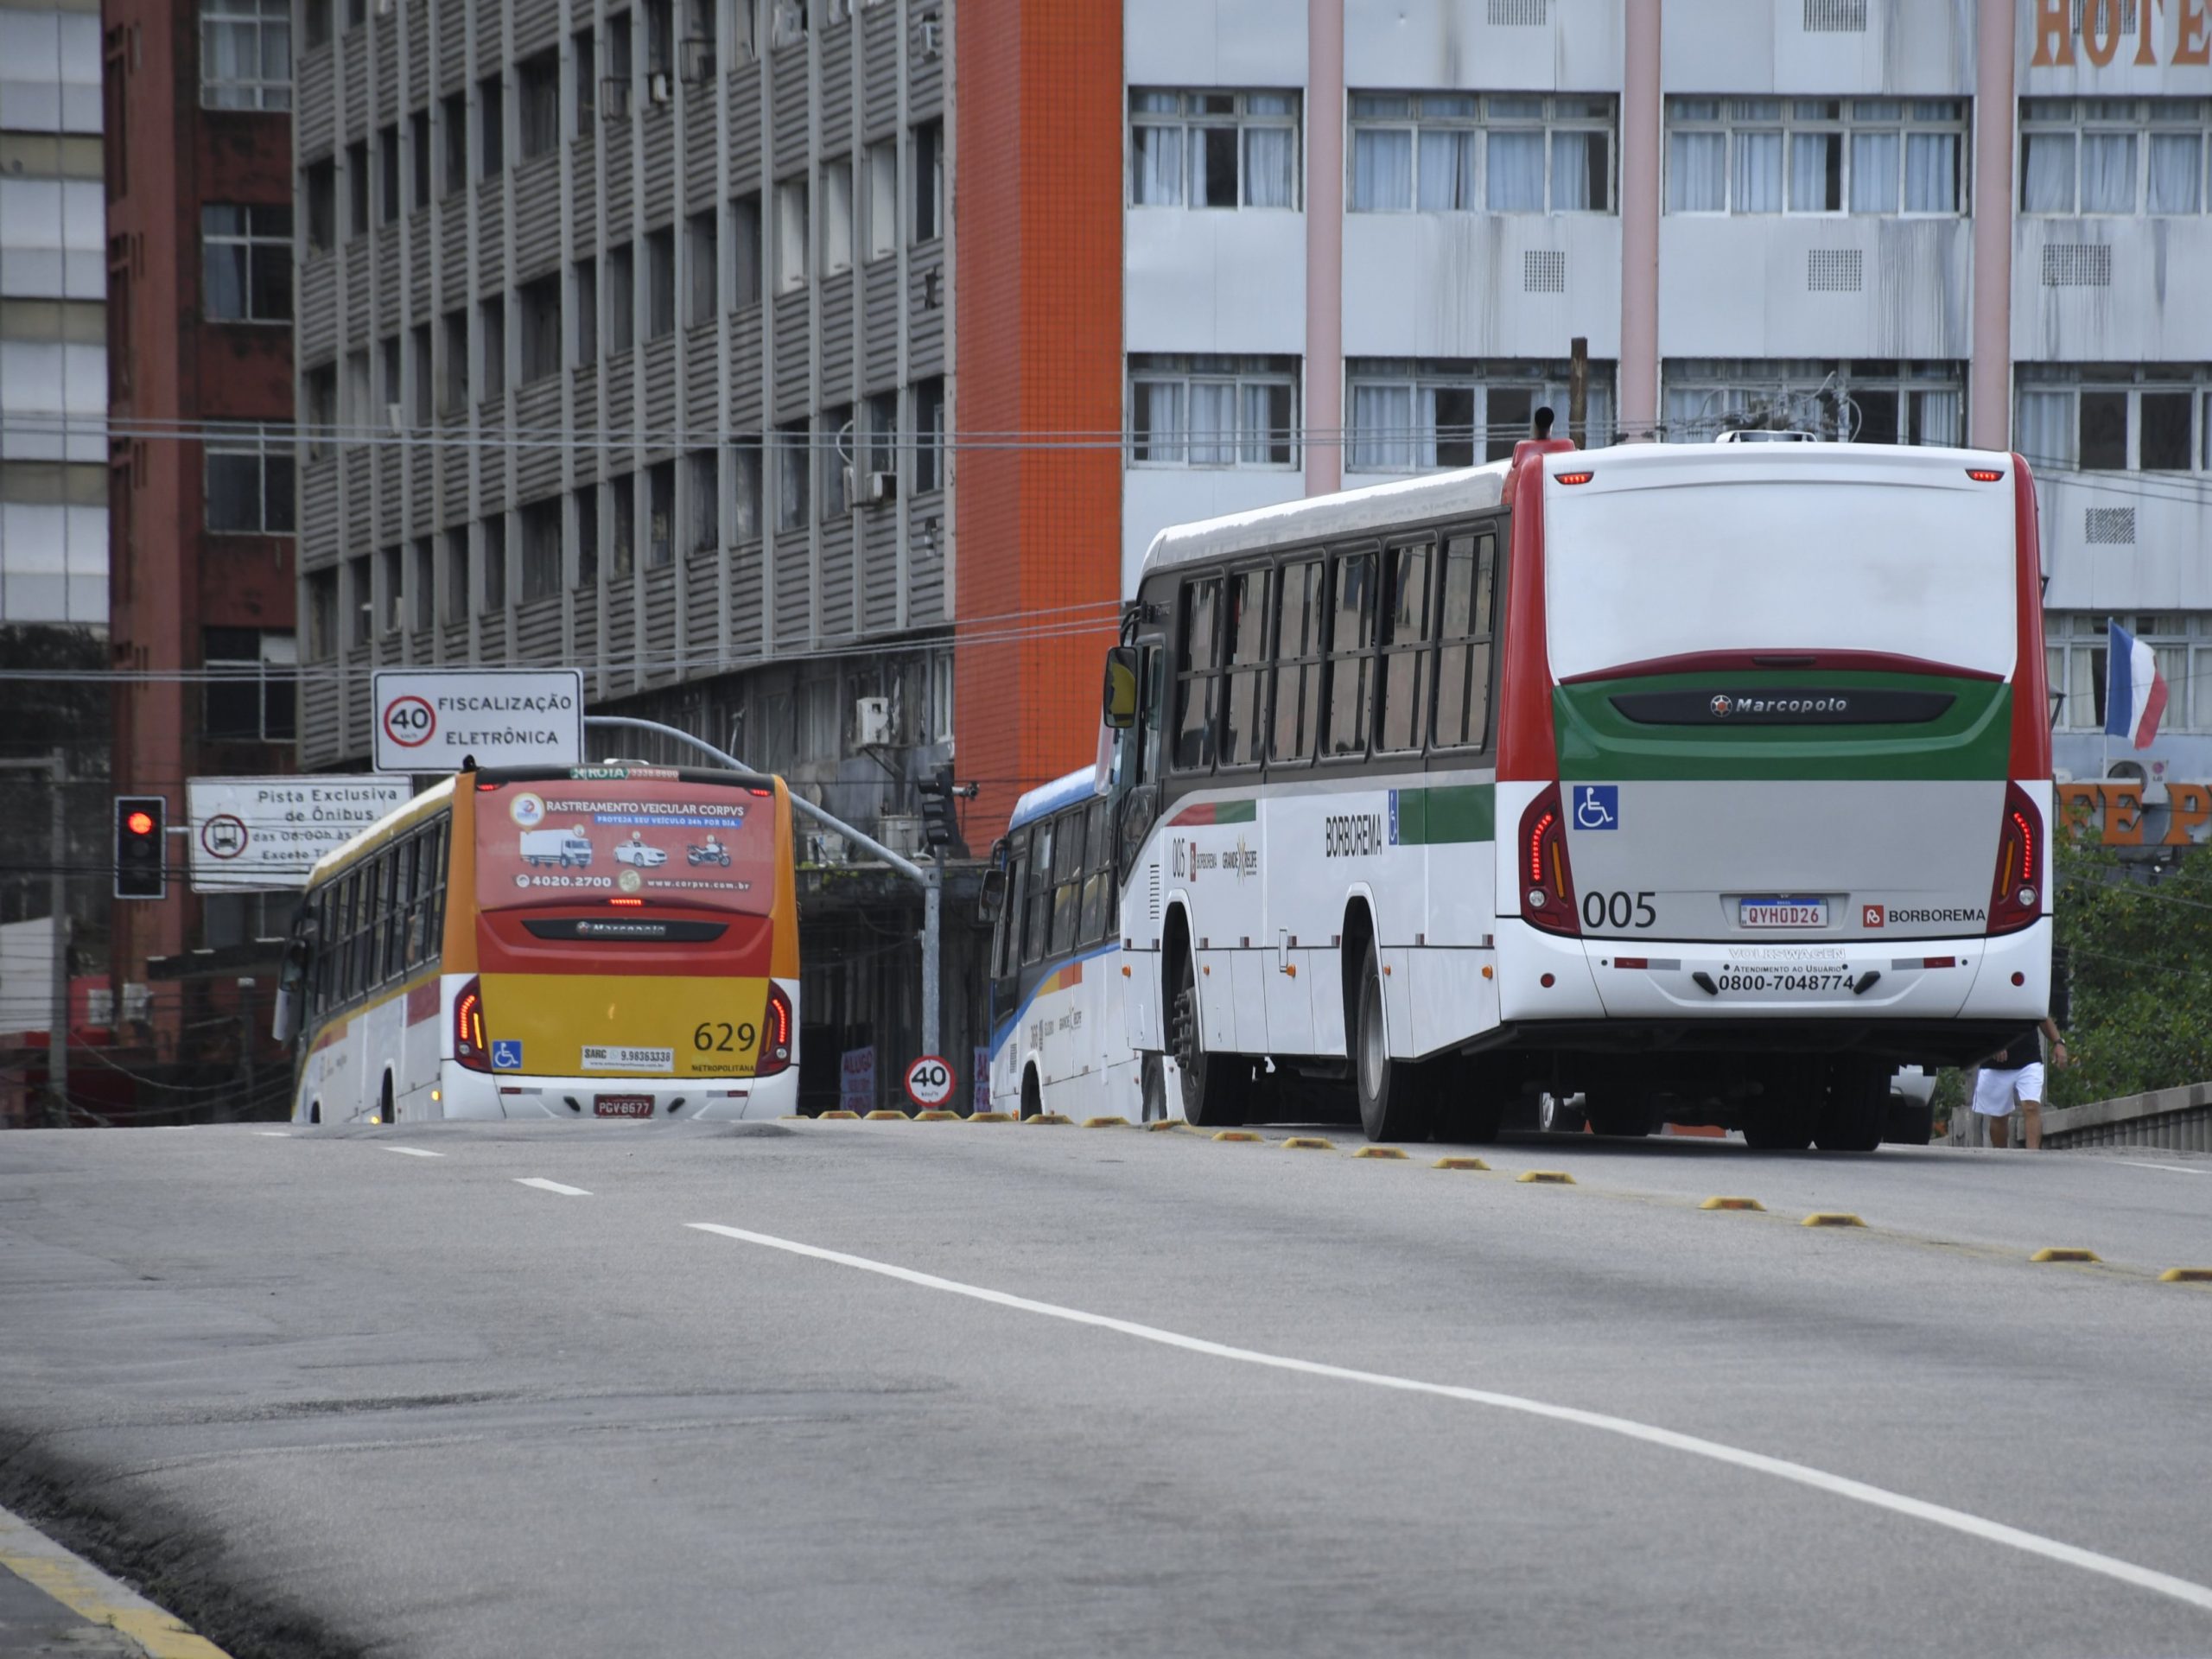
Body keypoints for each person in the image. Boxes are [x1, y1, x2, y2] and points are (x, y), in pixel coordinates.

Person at [1972, 1016, 2067, 1149]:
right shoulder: (1990, 996)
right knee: (1999, 1116)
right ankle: (2001, 1156)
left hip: (2029, 1059)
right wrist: (1995, 1043)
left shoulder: (2030, 995)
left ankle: (2032, 1157)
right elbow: (1979, 1020)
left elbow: (2042, 1016)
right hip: (1996, 1063)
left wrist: (2058, 1043)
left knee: (2031, 1106)